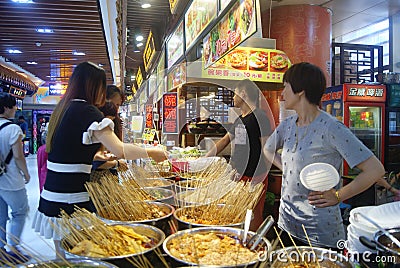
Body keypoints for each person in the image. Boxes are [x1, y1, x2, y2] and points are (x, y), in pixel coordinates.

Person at [31, 62, 167, 256]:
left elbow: (70, 149)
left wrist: (95, 155)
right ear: (95, 86)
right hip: (72, 200)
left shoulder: (63, 109)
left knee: (63, 256)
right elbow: (119, 150)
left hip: (53, 196)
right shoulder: (87, 111)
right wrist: (153, 152)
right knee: (83, 256)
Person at [263, 62, 386, 248]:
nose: (282, 93)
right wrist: (290, 170)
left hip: (318, 230)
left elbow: (375, 170)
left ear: (300, 91)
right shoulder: (287, 125)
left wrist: (339, 195)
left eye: (285, 87)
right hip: (286, 223)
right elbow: (268, 149)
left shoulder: (331, 128)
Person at [205, 79, 272, 230]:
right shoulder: (241, 118)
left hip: (254, 175)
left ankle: (255, 246)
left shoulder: (260, 117)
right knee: (238, 213)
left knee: (253, 215)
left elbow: (267, 149)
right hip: (238, 174)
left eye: (235, 93)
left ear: (243, 94)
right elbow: (225, 140)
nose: (233, 98)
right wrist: (205, 158)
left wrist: (262, 175)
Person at [0, 92, 31, 264]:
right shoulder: (13, 129)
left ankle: (1, 250)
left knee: (1, 216)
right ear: (6, 107)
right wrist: (26, 173)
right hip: (11, 180)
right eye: (13, 106)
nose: (15, 109)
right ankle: (13, 248)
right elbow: (18, 156)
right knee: (19, 212)